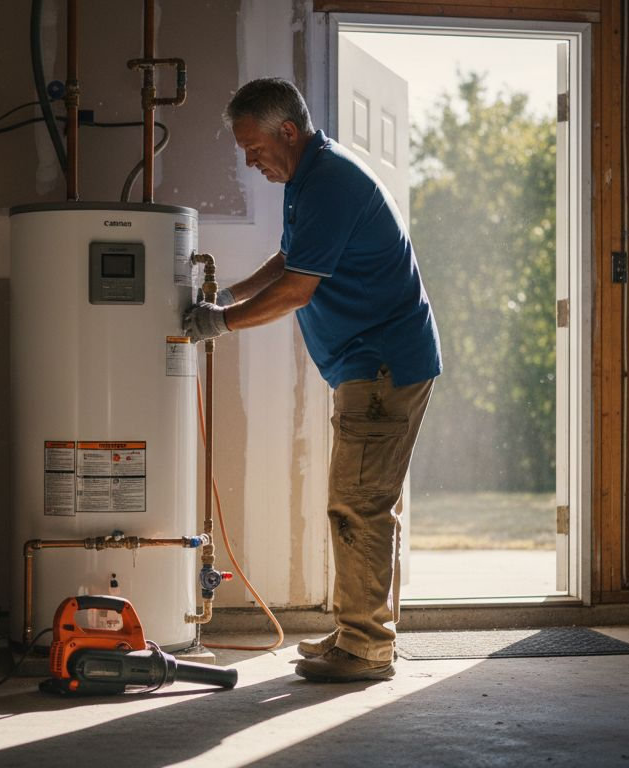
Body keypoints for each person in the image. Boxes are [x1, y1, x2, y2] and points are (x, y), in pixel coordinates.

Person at [183, 78, 441, 683]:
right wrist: (230, 293)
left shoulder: (325, 183)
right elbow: (292, 258)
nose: (250, 161)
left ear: (287, 132)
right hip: (375, 364)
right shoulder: (309, 178)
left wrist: (218, 323)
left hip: (381, 366)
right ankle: (362, 634)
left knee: (357, 506)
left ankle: (368, 648)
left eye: (254, 148)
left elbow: (299, 289)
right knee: (368, 504)